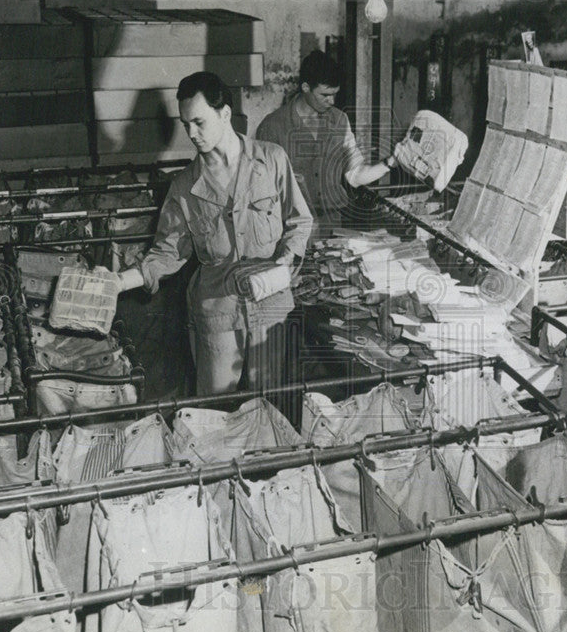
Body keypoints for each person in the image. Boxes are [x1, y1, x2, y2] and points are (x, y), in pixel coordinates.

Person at [118, 71, 313, 396]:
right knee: (215, 410)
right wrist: (119, 282)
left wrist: (285, 261)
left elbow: (298, 220)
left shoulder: (272, 159)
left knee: (267, 403)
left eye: (199, 122)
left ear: (224, 114)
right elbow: (167, 255)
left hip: (271, 303)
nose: (191, 133)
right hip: (218, 310)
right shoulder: (184, 188)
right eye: (185, 124)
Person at [255, 50, 396, 222]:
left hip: (332, 220)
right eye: (325, 95)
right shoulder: (272, 127)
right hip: (290, 224)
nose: (332, 101)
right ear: (306, 87)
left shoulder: (340, 120)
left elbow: (355, 176)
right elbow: (261, 190)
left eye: (335, 94)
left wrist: (391, 162)